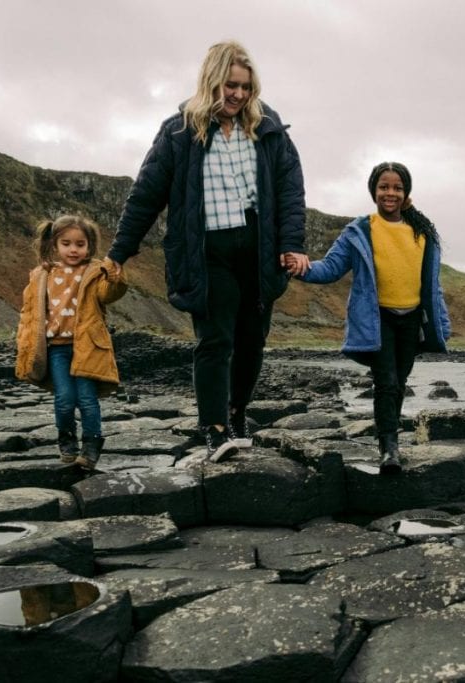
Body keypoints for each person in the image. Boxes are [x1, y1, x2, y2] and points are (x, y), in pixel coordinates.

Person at [106, 40, 309, 462]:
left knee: (252, 340)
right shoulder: (178, 131)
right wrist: (118, 253)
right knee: (216, 339)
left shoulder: (267, 127)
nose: (237, 95)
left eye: (245, 88)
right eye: (230, 85)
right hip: (207, 251)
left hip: (258, 249)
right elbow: (145, 196)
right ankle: (214, 429)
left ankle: (237, 413)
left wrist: (291, 245)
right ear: (211, 80)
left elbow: (290, 189)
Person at [291, 162, 451, 473]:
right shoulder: (359, 231)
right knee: (386, 382)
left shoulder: (422, 233)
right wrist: (302, 267)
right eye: (384, 187)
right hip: (378, 320)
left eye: (397, 188)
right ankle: (389, 448)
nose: (390, 193)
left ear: (406, 193)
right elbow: (330, 268)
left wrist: (442, 323)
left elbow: (434, 285)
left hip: (412, 320)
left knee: (399, 382)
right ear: (373, 191)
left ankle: (392, 442)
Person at [15, 215, 128, 470]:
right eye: (66, 243)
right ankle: (67, 442)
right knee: (64, 398)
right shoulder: (40, 275)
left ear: (89, 246)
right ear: (55, 245)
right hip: (56, 349)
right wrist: (24, 343)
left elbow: (109, 294)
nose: (74, 249)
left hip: (86, 346)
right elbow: (29, 312)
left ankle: (91, 445)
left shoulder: (95, 271)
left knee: (87, 399)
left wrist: (115, 277)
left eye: (80, 244)